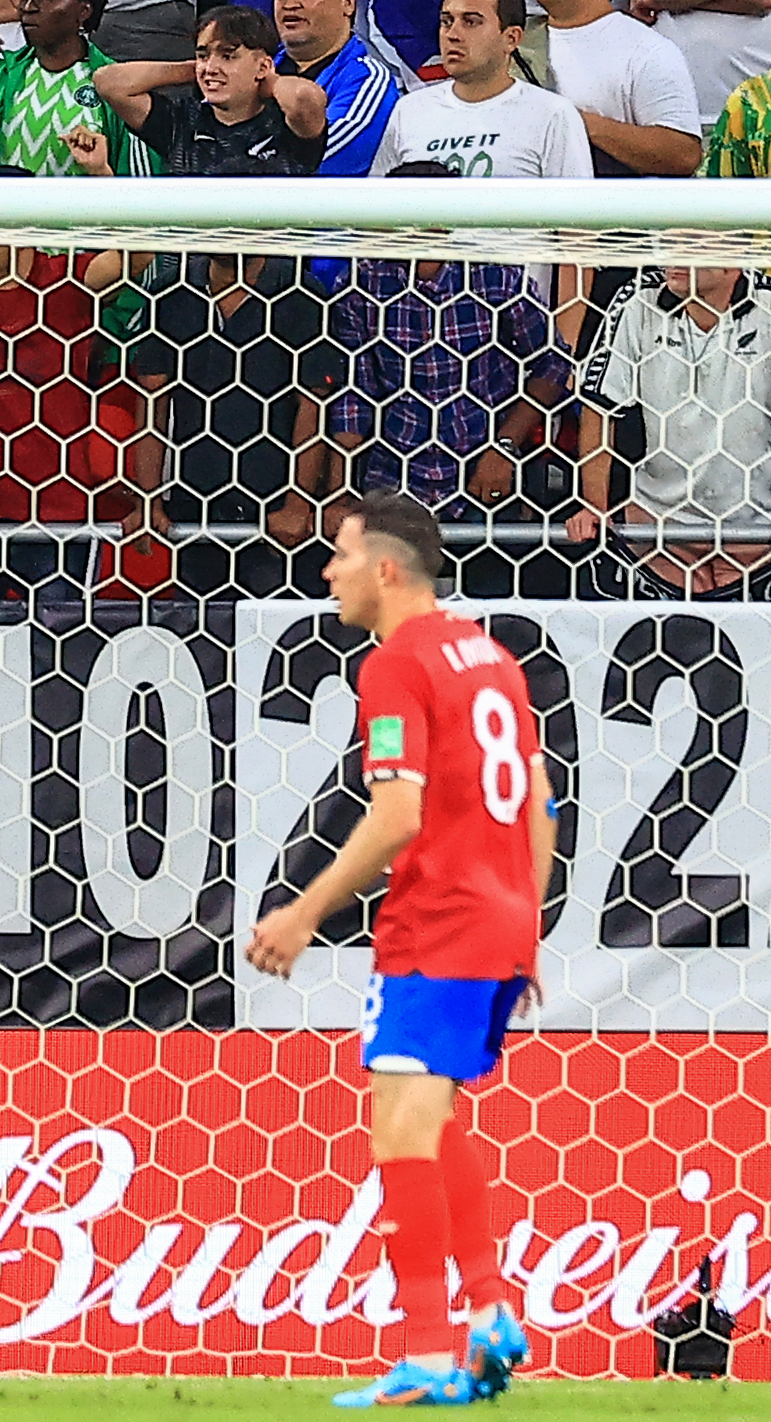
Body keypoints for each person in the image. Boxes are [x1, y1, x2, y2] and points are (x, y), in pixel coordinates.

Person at [238, 496, 550, 1409]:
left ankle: (424, 1350)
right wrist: (525, 927)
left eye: (338, 556)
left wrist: (303, 911)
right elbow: (538, 805)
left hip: (439, 923)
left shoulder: (396, 667)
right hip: (496, 922)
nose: (326, 572)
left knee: (398, 1133)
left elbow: (398, 814)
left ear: (385, 569)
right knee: (436, 1119)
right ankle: (490, 1309)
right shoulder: (494, 660)